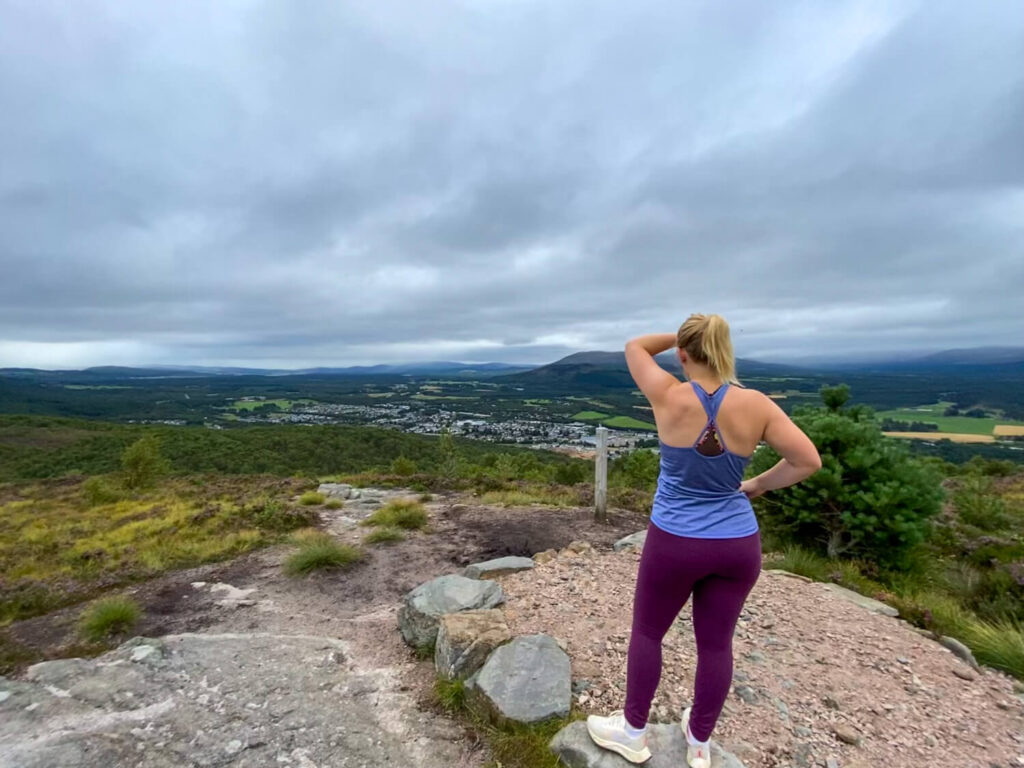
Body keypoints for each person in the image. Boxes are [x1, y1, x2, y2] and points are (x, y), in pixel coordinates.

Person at [586, 314, 821, 767]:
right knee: (716, 645)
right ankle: (698, 742)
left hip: (675, 539)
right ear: (723, 349)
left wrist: (682, 336)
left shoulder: (668, 394)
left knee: (649, 632)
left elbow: (635, 346)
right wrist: (757, 485)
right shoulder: (758, 405)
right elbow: (807, 460)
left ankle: (634, 732)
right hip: (737, 544)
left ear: (683, 354)